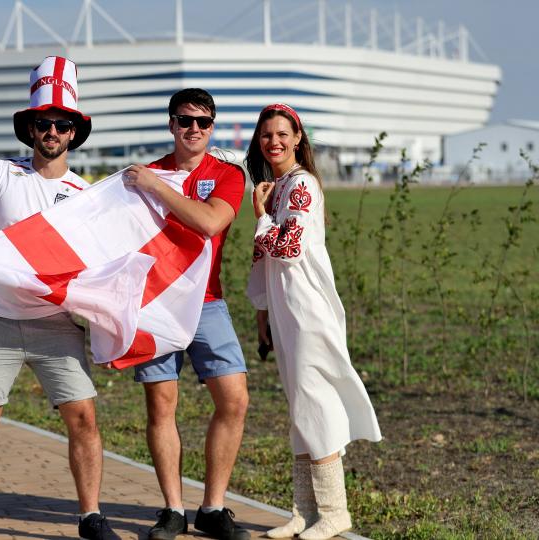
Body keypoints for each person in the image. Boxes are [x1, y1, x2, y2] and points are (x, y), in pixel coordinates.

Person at [0, 56, 120, 540]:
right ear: (30, 129)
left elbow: (97, 263)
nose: (52, 131)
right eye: (44, 123)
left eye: (62, 124)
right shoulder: (0, 173)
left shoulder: (85, 194)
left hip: (56, 324)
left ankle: (90, 516)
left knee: (83, 417)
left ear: (74, 132)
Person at [245, 103, 381, 540]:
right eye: (267, 135)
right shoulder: (275, 186)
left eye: (283, 134)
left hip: (307, 307)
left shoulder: (301, 185)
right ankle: (304, 511)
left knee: (313, 399)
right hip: (285, 308)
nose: (275, 142)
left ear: (298, 138)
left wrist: (260, 216)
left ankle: (335, 511)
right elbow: (263, 259)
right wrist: (263, 312)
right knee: (299, 404)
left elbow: (288, 248)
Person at [121, 88, 250, 540]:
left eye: (203, 121)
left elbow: (211, 223)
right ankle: (173, 510)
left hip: (207, 302)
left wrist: (156, 187)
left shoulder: (227, 174)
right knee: (161, 405)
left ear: (212, 126)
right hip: (154, 303)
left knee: (234, 400)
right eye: (184, 120)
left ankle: (213, 508)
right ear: (171, 124)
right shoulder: (142, 174)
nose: (193, 128)